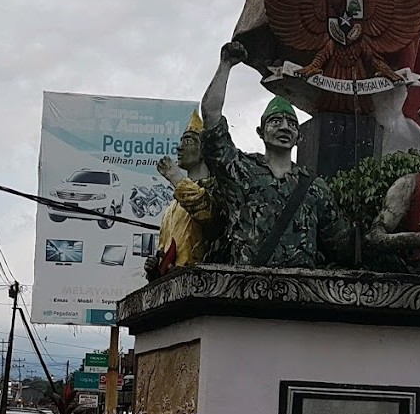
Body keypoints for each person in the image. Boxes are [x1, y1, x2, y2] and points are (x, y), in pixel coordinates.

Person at [197, 41, 352, 268]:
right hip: (247, 291)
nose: (284, 127)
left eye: (291, 123)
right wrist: (226, 65)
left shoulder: (315, 187)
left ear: (299, 137)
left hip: (300, 295)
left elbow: (339, 242)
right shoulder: (241, 171)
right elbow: (211, 119)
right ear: (261, 132)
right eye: (275, 121)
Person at [145, 110, 214, 279]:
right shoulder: (171, 210)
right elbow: (165, 252)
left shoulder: (216, 188)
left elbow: (205, 214)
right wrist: (155, 268)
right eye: (181, 141)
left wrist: (176, 178)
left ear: (204, 148)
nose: (179, 147)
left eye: (188, 141)